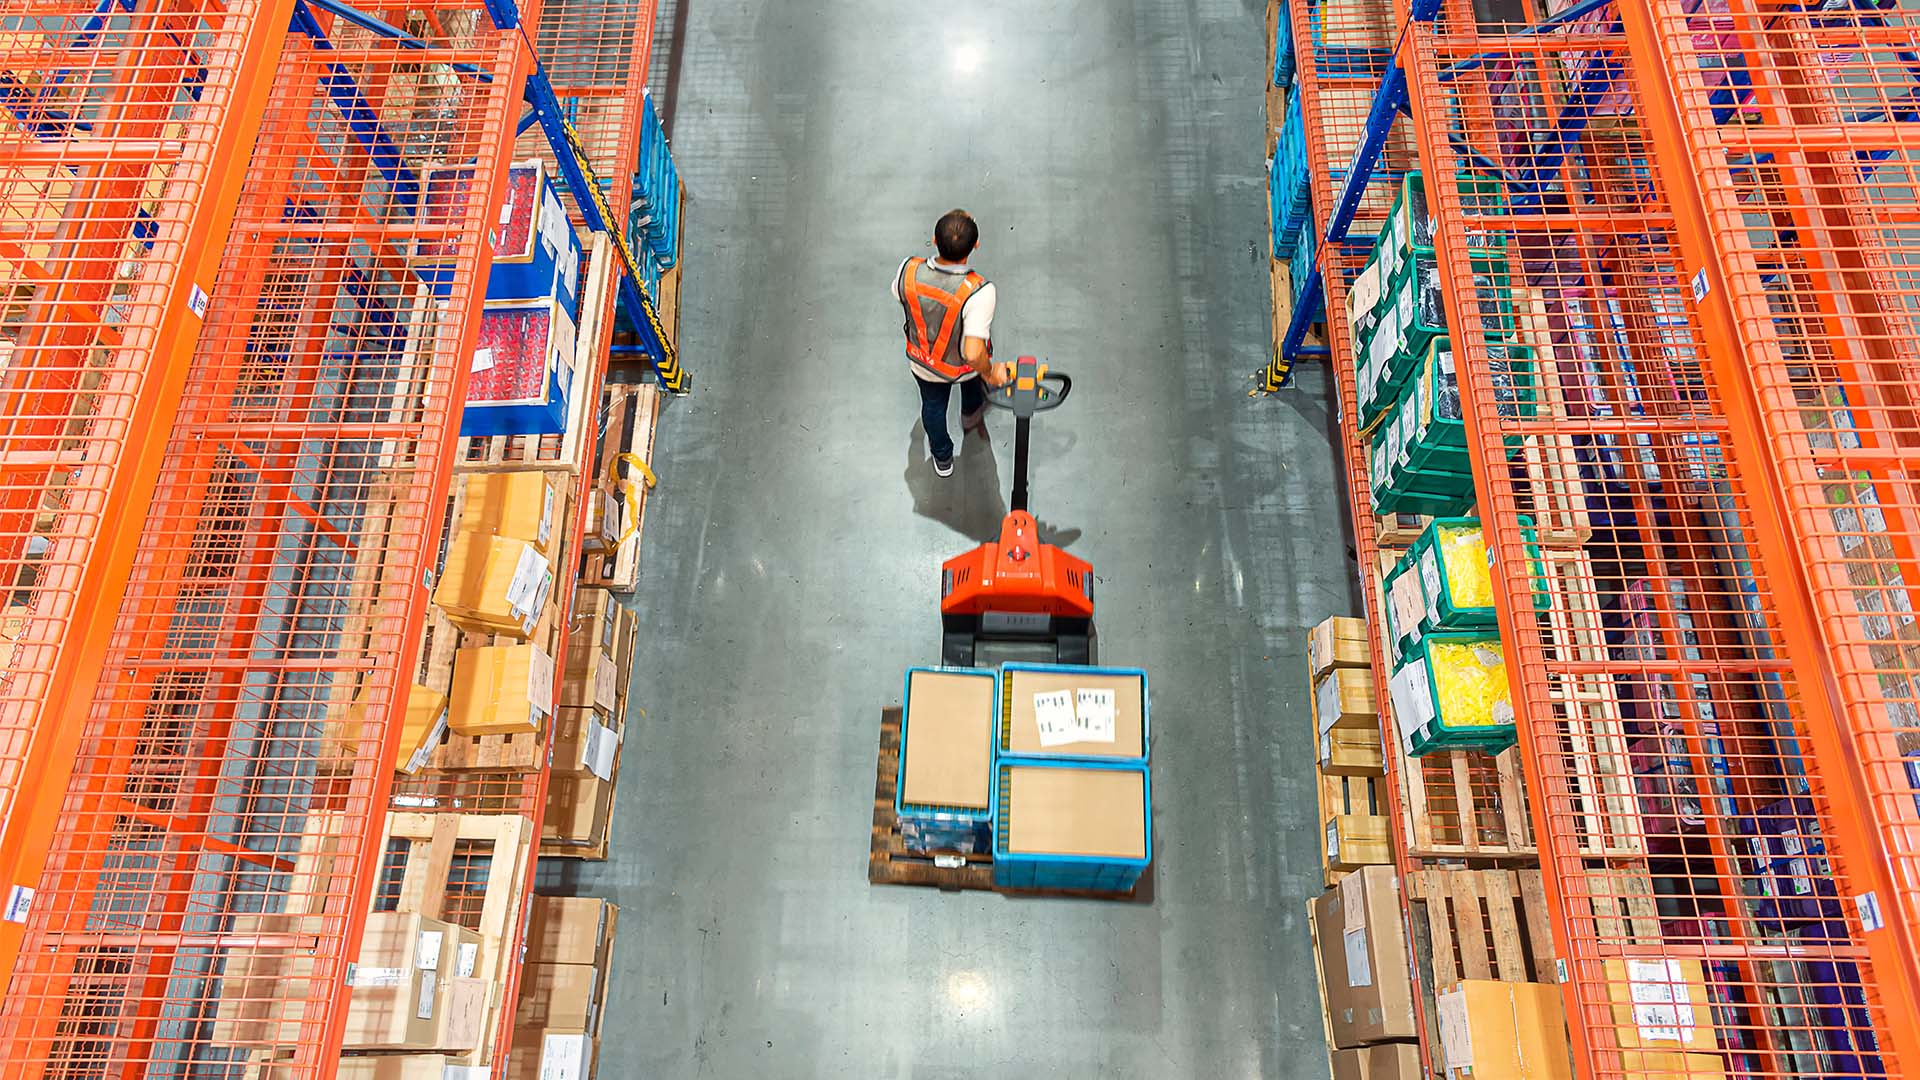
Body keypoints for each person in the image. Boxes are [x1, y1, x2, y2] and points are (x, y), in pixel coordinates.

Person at [891, 208, 1011, 477]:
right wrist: (991, 373)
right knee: (972, 385)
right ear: (975, 245)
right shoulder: (980, 291)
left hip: (924, 364)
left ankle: (943, 459)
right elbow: (972, 352)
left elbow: (899, 294)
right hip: (963, 369)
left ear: (934, 240)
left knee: (932, 408)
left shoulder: (908, 271)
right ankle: (971, 417)